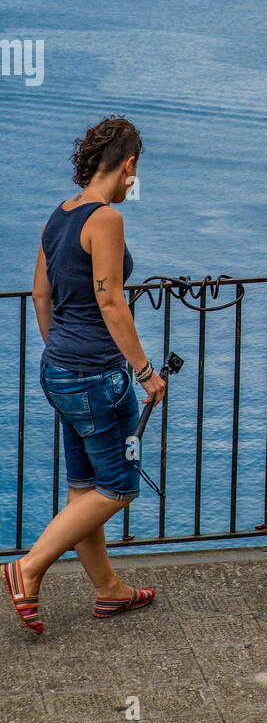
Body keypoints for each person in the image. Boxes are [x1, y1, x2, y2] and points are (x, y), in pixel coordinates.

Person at [2, 116, 165, 634]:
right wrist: (145, 372)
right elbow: (111, 299)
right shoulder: (106, 219)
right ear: (129, 163)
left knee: (83, 489)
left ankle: (110, 591)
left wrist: (60, 353)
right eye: (136, 170)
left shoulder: (60, 214)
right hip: (96, 375)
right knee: (117, 489)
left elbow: (40, 295)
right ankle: (26, 569)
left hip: (59, 369)